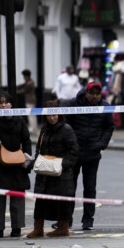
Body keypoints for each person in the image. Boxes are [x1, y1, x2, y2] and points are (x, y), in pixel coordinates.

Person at [62, 81, 115, 230]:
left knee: (90, 188)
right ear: (86, 93)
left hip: (93, 153)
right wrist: (70, 144)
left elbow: (109, 127)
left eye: (98, 94)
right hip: (74, 153)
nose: (94, 96)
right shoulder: (74, 104)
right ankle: (67, 219)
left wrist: (101, 144)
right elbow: (66, 124)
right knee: (69, 187)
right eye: (92, 93)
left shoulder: (104, 106)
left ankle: (88, 220)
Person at [0, 92, 32, 238]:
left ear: (12, 104)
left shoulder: (20, 121)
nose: (4, 105)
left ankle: (17, 228)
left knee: (17, 196)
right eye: (0, 103)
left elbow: (27, 140)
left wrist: (26, 158)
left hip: (17, 163)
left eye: (7, 102)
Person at [27, 100, 80, 238]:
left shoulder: (66, 129)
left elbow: (74, 151)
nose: (51, 118)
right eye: (48, 115)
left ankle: (63, 229)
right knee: (41, 201)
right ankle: (38, 229)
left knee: (61, 202)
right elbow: (38, 147)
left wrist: (62, 165)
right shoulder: (44, 129)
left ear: (59, 114)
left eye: (54, 114)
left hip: (60, 173)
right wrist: (38, 159)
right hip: (45, 171)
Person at [17, 69, 38, 134]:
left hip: (30, 101)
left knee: (31, 115)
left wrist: (15, 91)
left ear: (26, 76)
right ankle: (34, 129)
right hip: (30, 100)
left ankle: (33, 129)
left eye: (24, 76)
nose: (23, 77)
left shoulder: (30, 83)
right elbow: (22, 85)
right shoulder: (29, 81)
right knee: (32, 115)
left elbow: (24, 90)